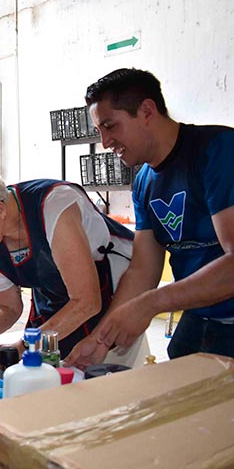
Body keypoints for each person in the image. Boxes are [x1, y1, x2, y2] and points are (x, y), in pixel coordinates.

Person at [66, 68, 234, 368]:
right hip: (200, 319)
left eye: (110, 126)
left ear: (146, 111)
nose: (105, 142)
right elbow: (143, 269)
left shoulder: (218, 151)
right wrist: (100, 338)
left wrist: (151, 303)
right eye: (99, 131)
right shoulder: (144, 181)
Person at [0, 161, 149, 368]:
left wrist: (24, 345)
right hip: (53, 301)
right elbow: (7, 306)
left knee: (104, 379)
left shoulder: (53, 206)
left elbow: (87, 302)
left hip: (112, 289)